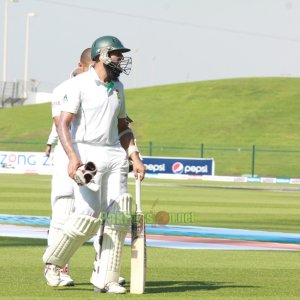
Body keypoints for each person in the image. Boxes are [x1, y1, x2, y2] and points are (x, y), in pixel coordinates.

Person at [42, 35, 146, 294]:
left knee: (119, 215)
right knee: (86, 218)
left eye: (121, 55)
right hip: (87, 152)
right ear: (101, 56)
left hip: (114, 154)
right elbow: (63, 124)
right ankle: (54, 263)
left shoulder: (119, 88)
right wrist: (73, 158)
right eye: (116, 54)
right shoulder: (78, 85)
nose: (120, 59)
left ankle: (106, 277)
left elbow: (123, 127)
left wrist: (134, 156)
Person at [44, 48, 94, 287]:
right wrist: (66, 152)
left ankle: (103, 268)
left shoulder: (109, 88)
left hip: (96, 159)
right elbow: (60, 125)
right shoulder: (64, 88)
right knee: (63, 213)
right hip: (69, 157)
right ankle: (56, 267)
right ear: (83, 65)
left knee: (98, 216)